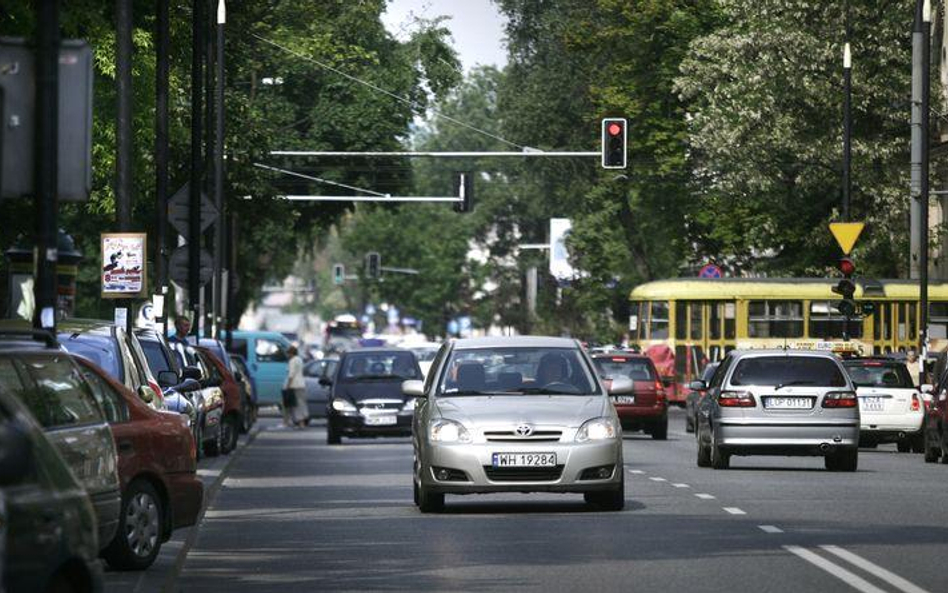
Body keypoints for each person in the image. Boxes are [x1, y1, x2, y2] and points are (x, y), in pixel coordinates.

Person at [284, 345, 308, 428]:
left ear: (291, 353)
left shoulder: (292, 361)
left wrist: (287, 386)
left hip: (294, 385)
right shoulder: (300, 360)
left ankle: (298, 422)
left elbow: (291, 374)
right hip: (301, 384)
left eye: (288, 353)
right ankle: (302, 422)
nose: (287, 355)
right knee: (301, 403)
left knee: (294, 405)